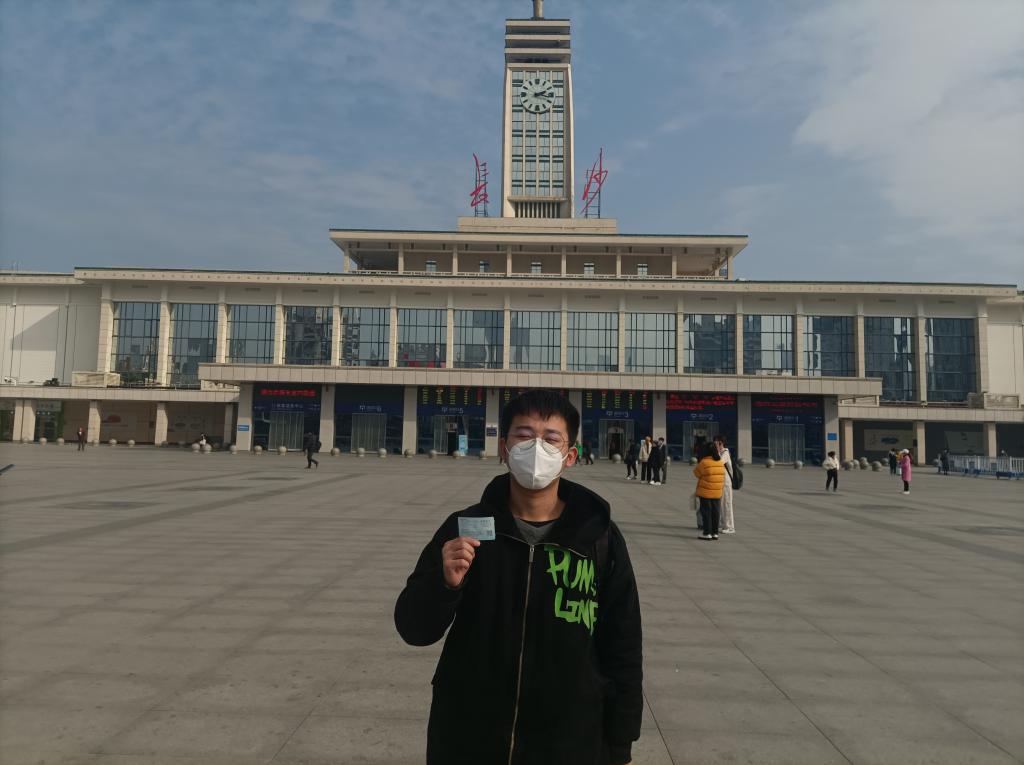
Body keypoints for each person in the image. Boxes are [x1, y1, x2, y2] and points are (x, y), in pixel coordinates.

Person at [394, 389, 643, 765]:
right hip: (468, 735)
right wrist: (444, 584)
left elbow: (623, 645)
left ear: (570, 456)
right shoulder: (465, 528)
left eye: (551, 438)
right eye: (524, 436)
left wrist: (621, 744)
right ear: (504, 449)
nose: (536, 447)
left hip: (568, 739)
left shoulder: (598, 538)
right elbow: (414, 629)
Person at [693, 441, 725, 540]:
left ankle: (707, 533)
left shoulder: (704, 462)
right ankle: (715, 533)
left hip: (705, 492)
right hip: (717, 492)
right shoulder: (720, 462)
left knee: (706, 513)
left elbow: (696, 473)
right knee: (716, 512)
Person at [714, 434, 735, 532]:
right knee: (722, 504)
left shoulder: (725, 452)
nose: (714, 444)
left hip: (726, 482)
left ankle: (730, 527)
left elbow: (719, 462)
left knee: (727, 504)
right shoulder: (720, 452)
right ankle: (724, 524)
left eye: (716, 442)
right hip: (720, 481)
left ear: (721, 443)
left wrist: (717, 451)